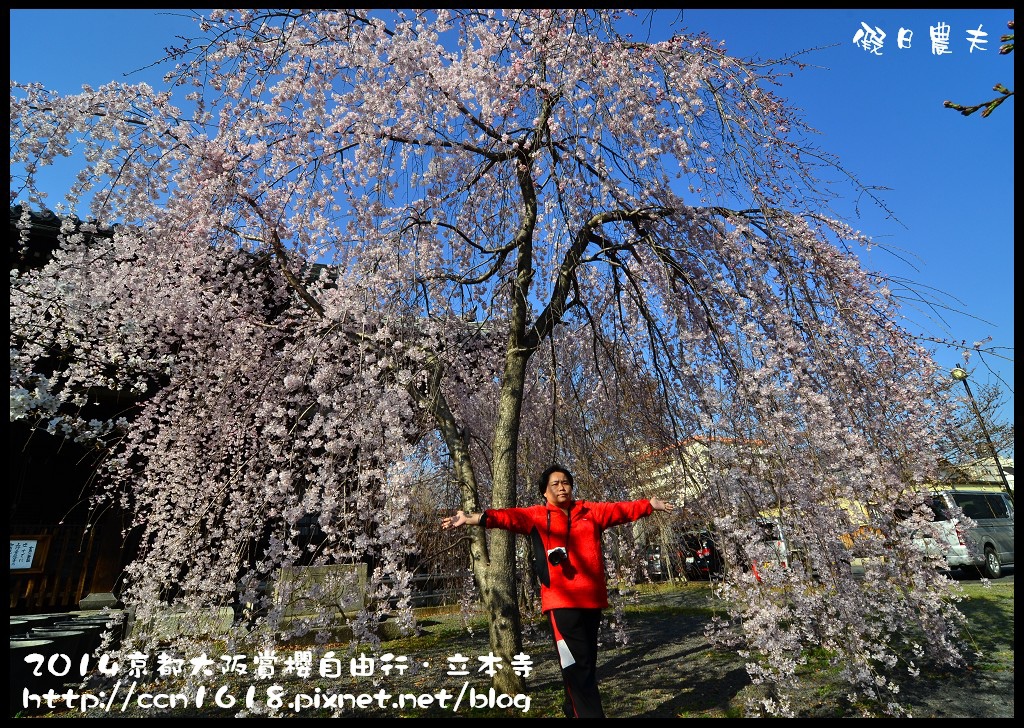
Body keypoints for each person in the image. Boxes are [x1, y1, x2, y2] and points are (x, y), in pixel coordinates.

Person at [441, 463, 675, 718]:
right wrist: (470, 518)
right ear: (544, 491)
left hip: (591, 600)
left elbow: (620, 510)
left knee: (582, 664)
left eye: (566, 482)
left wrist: (649, 505)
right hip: (561, 603)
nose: (562, 487)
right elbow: (504, 517)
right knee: (578, 666)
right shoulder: (537, 516)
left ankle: (571, 710)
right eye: (555, 484)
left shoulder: (590, 511)